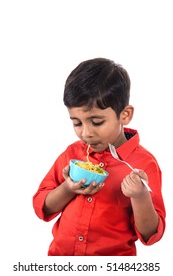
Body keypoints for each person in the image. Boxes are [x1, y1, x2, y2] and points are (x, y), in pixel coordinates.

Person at [33, 58, 166, 256]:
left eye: (96, 122)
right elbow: (42, 206)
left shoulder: (143, 164)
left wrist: (140, 196)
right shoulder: (72, 154)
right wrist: (68, 188)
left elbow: (150, 234)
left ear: (125, 115)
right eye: (77, 123)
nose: (86, 133)